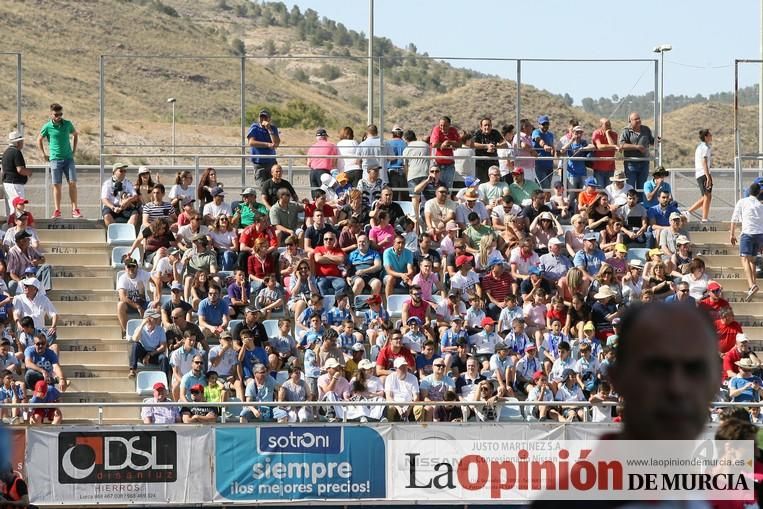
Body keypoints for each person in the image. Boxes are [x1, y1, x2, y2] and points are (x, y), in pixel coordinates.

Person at [37, 103, 81, 218]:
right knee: (57, 185)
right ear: (51, 114)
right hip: (55, 159)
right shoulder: (47, 126)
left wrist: (74, 150)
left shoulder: (67, 124)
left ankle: (75, 209)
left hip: (68, 158)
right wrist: (44, 154)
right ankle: (57, 210)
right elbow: (39, 139)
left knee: (72, 182)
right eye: (56, 114)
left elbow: (75, 134)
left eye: (60, 114)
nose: (58, 116)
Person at [730, 182, 763, 302]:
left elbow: (734, 218)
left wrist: (732, 234)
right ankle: (753, 283)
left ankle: (751, 285)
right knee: (752, 260)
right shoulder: (760, 205)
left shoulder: (742, 202)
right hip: (759, 235)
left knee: (744, 259)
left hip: (748, 233)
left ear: (749, 191)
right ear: (759, 192)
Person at [619, 111, 656, 195]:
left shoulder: (646, 129)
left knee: (642, 187)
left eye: (639, 118)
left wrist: (657, 140)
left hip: (644, 162)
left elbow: (651, 141)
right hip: (631, 164)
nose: (638, 120)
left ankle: (640, 205)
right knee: (630, 187)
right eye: (636, 119)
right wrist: (637, 147)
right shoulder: (626, 131)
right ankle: (631, 206)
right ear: (630, 121)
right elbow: (622, 145)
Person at [128, 310, 169, 379]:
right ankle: (132, 370)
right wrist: (142, 325)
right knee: (136, 345)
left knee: (164, 358)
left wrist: (149, 355)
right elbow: (135, 339)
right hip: (143, 352)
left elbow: (163, 347)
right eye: (154, 318)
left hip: (155, 353)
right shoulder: (140, 329)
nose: (157, 320)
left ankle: (165, 381)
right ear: (148, 319)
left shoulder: (160, 330)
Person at [685, 128, 713, 222]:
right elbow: (704, 162)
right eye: (709, 135)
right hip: (703, 173)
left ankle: (688, 212)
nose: (711, 136)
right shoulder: (704, 147)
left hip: (700, 173)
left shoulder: (701, 147)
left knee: (706, 196)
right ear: (705, 137)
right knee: (707, 196)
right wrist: (708, 176)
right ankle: (704, 218)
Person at [247, 109, 280, 188]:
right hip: (259, 163)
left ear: (269, 119)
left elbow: (276, 143)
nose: (263, 119)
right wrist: (267, 145)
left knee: (275, 185)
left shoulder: (273, 128)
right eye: (261, 117)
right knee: (263, 187)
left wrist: (269, 129)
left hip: (271, 162)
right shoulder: (254, 127)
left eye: (265, 117)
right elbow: (251, 142)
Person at [2, 130, 31, 216]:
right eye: (21, 141)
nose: (22, 143)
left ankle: (13, 225)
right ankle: (17, 226)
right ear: (18, 142)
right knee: (19, 206)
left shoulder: (6, 152)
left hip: (8, 183)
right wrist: (29, 172)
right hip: (15, 184)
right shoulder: (16, 152)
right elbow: (20, 170)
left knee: (12, 206)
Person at [384, 357, 420, 422]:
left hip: (410, 404)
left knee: (419, 408)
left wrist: (408, 409)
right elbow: (388, 397)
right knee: (390, 408)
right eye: (401, 367)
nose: (404, 368)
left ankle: (421, 429)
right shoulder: (390, 378)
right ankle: (389, 428)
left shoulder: (413, 378)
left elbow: (416, 397)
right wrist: (398, 408)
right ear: (395, 368)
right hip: (395, 404)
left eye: (405, 366)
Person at [429, 116, 460, 188]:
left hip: (450, 164)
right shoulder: (436, 129)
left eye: (445, 126)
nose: (442, 127)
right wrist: (446, 144)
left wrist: (448, 141)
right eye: (441, 125)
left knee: (448, 188)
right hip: (437, 165)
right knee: (437, 188)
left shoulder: (453, 130)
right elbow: (434, 144)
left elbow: (459, 144)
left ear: (449, 125)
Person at [591, 118, 619, 188]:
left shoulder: (614, 134)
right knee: (600, 191)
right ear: (601, 125)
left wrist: (607, 134)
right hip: (599, 168)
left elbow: (614, 147)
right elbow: (600, 147)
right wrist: (613, 146)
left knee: (609, 191)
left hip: (611, 168)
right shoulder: (597, 133)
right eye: (606, 124)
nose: (609, 126)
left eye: (609, 124)